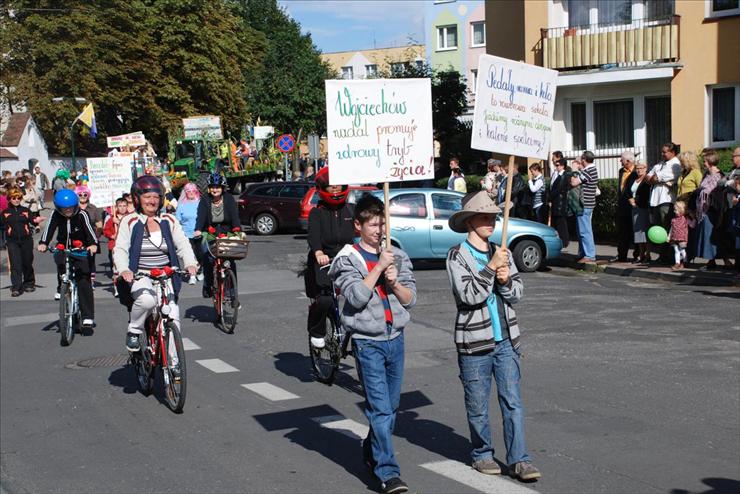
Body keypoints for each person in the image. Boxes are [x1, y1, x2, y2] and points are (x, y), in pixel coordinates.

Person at [445, 191, 541, 482]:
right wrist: (490, 270)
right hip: (474, 343)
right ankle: (482, 454)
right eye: (484, 217)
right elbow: (469, 295)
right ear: (469, 222)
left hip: (506, 341)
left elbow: (517, 294)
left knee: (513, 402)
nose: (491, 222)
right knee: (477, 404)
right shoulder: (457, 256)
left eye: (493, 217)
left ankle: (519, 460)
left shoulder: (503, 253)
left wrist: (507, 279)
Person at [328, 194, 416, 494]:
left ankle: (370, 448)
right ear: (358, 226)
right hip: (368, 343)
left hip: (396, 338)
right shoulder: (347, 258)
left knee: (391, 409)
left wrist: (394, 281)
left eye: (382, 224)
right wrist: (378, 269)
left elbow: (410, 299)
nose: (379, 230)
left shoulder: (396, 255)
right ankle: (388, 473)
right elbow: (355, 298)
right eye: (373, 224)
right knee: (379, 410)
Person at [113, 176, 198, 353]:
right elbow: (120, 248)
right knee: (147, 300)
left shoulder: (169, 219)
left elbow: (182, 244)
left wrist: (190, 263)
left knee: (173, 318)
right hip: (141, 275)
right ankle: (134, 331)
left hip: (166, 275)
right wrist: (124, 269)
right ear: (137, 199)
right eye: (147, 197)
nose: (152, 201)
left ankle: (174, 369)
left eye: (156, 197)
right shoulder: (130, 221)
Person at [305, 167, 354, 349]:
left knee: (363, 296)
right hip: (323, 261)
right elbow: (314, 236)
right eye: (330, 186)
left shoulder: (351, 210)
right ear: (322, 188)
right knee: (324, 299)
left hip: (347, 259)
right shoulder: (317, 213)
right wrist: (318, 252)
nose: (335, 189)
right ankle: (317, 331)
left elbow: (362, 230)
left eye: (338, 185)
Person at [38, 189, 98, 328]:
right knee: (60, 262)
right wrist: (43, 243)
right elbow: (49, 229)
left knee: (83, 280)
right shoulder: (55, 214)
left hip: (80, 249)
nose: (68, 211)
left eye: (71, 208)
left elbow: (90, 231)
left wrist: (93, 245)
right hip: (63, 248)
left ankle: (87, 316)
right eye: (64, 209)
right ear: (59, 208)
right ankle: (62, 287)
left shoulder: (82, 214)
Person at [194, 173, 240, 298]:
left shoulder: (229, 198)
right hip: (210, 232)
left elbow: (234, 216)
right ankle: (207, 284)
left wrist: (238, 230)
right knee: (208, 258)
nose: (215, 189)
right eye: (213, 187)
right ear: (209, 188)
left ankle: (232, 290)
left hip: (226, 232)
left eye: (218, 187)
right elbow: (201, 217)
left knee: (231, 259)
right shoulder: (205, 200)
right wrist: (198, 229)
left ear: (223, 187)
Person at [693, 150, 733, 269]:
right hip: (704, 210)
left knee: (715, 236)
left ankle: (725, 261)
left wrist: (703, 192)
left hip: (713, 210)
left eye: (705, 161)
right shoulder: (706, 174)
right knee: (707, 235)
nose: (703, 163)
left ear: (710, 161)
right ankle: (711, 261)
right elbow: (701, 188)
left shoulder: (719, 175)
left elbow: (717, 193)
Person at [1, 187, 42, 296]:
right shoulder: (5, 213)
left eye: (18, 197)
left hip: (26, 240)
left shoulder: (25, 210)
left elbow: (33, 221)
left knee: (27, 262)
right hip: (12, 241)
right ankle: (16, 287)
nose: (16, 200)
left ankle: (29, 283)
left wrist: (36, 221)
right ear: (9, 199)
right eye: (14, 198)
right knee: (15, 264)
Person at [646, 143, 681, 264]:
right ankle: (662, 255)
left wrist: (656, 178)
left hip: (666, 200)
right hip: (655, 200)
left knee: (666, 229)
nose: (662, 154)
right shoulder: (660, 164)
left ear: (672, 152)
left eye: (665, 152)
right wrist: (655, 178)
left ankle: (669, 256)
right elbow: (648, 178)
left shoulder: (675, 165)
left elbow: (657, 177)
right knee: (658, 229)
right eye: (662, 151)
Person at [570, 151, 598, 263]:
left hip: (585, 205)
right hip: (585, 204)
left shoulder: (589, 171)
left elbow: (574, 183)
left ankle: (589, 255)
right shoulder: (588, 170)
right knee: (581, 230)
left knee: (585, 231)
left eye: (581, 159)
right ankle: (583, 253)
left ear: (584, 159)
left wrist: (574, 170)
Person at [174, 183, 203, 285]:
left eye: (192, 191)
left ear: (195, 192)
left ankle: (200, 269)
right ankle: (192, 276)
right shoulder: (181, 205)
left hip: (199, 233)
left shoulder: (200, 203)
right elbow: (177, 220)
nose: (190, 193)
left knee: (200, 255)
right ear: (185, 193)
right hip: (186, 234)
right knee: (190, 256)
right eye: (188, 191)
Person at [75, 184, 102, 287]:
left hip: (91, 238)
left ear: (88, 195)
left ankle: (90, 281)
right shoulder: (73, 207)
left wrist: (97, 236)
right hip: (77, 238)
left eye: (85, 194)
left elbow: (99, 223)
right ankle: (79, 279)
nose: (82, 196)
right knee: (78, 260)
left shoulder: (93, 208)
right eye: (80, 194)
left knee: (91, 260)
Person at [102, 197, 130, 296]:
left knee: (128, 266)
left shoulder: (130, 217)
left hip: (127, 245)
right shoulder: (112, 218)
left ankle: (129, 285)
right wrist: (111, 235)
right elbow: (105, 230)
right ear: (116, 207)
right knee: (116, 268)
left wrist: (120, 223)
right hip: (115, 246)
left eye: (124, 206)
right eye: (120, 206)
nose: (122, 208)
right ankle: (117, 288)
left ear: (127, 206)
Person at [626, 160, 651, 264]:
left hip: (644, 208)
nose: (639, 170)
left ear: (646, 168)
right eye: (637, 168)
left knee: (645, 232)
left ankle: (648, 255)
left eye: (641, 168)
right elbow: (627, 191)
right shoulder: (633, 179)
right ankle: (641, 255)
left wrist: (636, 201)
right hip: (634, 209)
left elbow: (646, 194)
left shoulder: (647, 180)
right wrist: (630, 199)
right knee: (638, 233)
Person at [614, 151, 637, 262]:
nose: (620, 161)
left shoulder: (637, 171)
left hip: (633, 205)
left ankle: (637, 255)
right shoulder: (621, 171)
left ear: (628, 161)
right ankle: (621, 256)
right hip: (622, 206)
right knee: (622, 232)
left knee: (635, 231)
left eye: (621, 159)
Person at [549, 158, 569, 247]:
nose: (556, 167)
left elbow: (558, 189)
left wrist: (549, 198)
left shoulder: (564, 175)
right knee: (558, 224)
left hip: (560, 204)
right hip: (556, 203)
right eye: (555, 165)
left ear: (562, 166)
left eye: (557, 165)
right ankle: (561, 241)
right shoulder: (558, 175)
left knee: (562, 225)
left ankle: (564, 242)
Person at [668, 201, 693, 271]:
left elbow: (692, 225)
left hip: (682, 238)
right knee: (676, 250)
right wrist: (669, 236)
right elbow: (671, 228)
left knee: (682, 250)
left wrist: (693, 219)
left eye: (676, 210)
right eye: (674, 209)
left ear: (681, 210)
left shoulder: (685, 219)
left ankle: (685, 261)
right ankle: (677, 263)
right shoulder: (673, 220)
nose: (674, 211)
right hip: (674, 238)